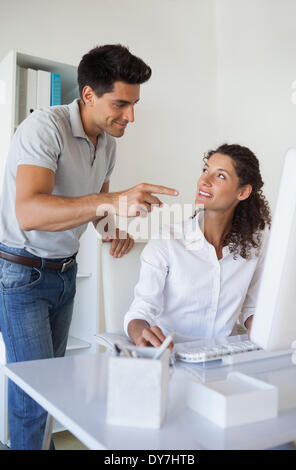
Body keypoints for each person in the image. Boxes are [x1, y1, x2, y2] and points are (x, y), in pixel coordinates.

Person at [0, 44, 178, 450]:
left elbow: (93, 208)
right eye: (121, 104)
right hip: (21, 275)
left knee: (50, 386)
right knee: (34, 396)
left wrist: (112, 227)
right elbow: (29, 211)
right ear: (88, 96)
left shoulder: (108, 144)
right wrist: (112, 202)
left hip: (64, 273)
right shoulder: (44, 128)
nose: (130, 116)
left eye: (134, 105)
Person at [124, 144, 271, 350]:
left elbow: (252, 306)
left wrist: (262, 328)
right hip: (172, 355)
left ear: (243, 192)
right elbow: (141, 311)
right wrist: (141, 333)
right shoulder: (168, 240)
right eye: (205, 170)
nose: (204, 180)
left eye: (220, 176)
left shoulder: (256, 244)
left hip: (226, 358)